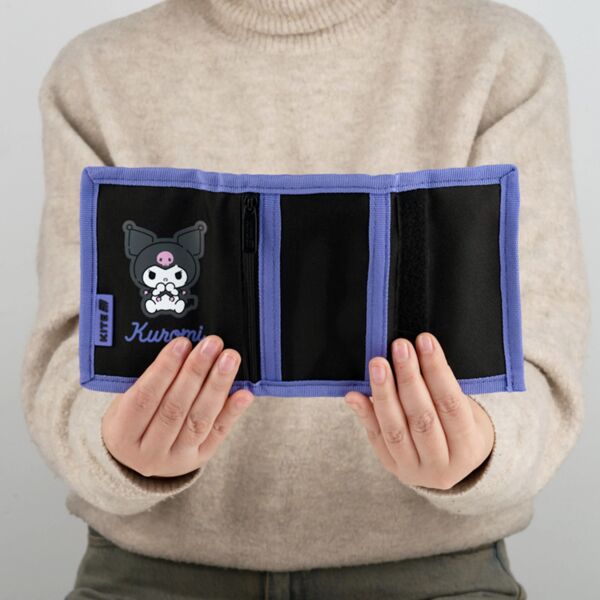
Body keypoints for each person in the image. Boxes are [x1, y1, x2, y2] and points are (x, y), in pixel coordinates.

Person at [21, 0, 590, 598]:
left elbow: (538, 353)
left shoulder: (502, 58)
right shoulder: (95, 72)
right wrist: (115, 451)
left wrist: (479, 449)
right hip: (149, 572)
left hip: (436, 570)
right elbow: (68, 358)